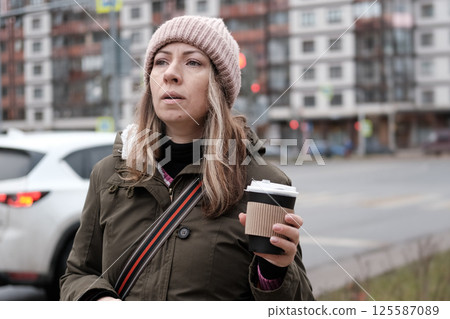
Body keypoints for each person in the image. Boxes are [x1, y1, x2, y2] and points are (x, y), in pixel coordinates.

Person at [60, 15, 314, 301]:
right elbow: (77, 274)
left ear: (219, 85)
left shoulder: (262, 184)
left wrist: (274, 273)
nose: (170, 73)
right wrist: (97, 300)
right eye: (161, 62)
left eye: (192, 62)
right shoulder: (108, 175)